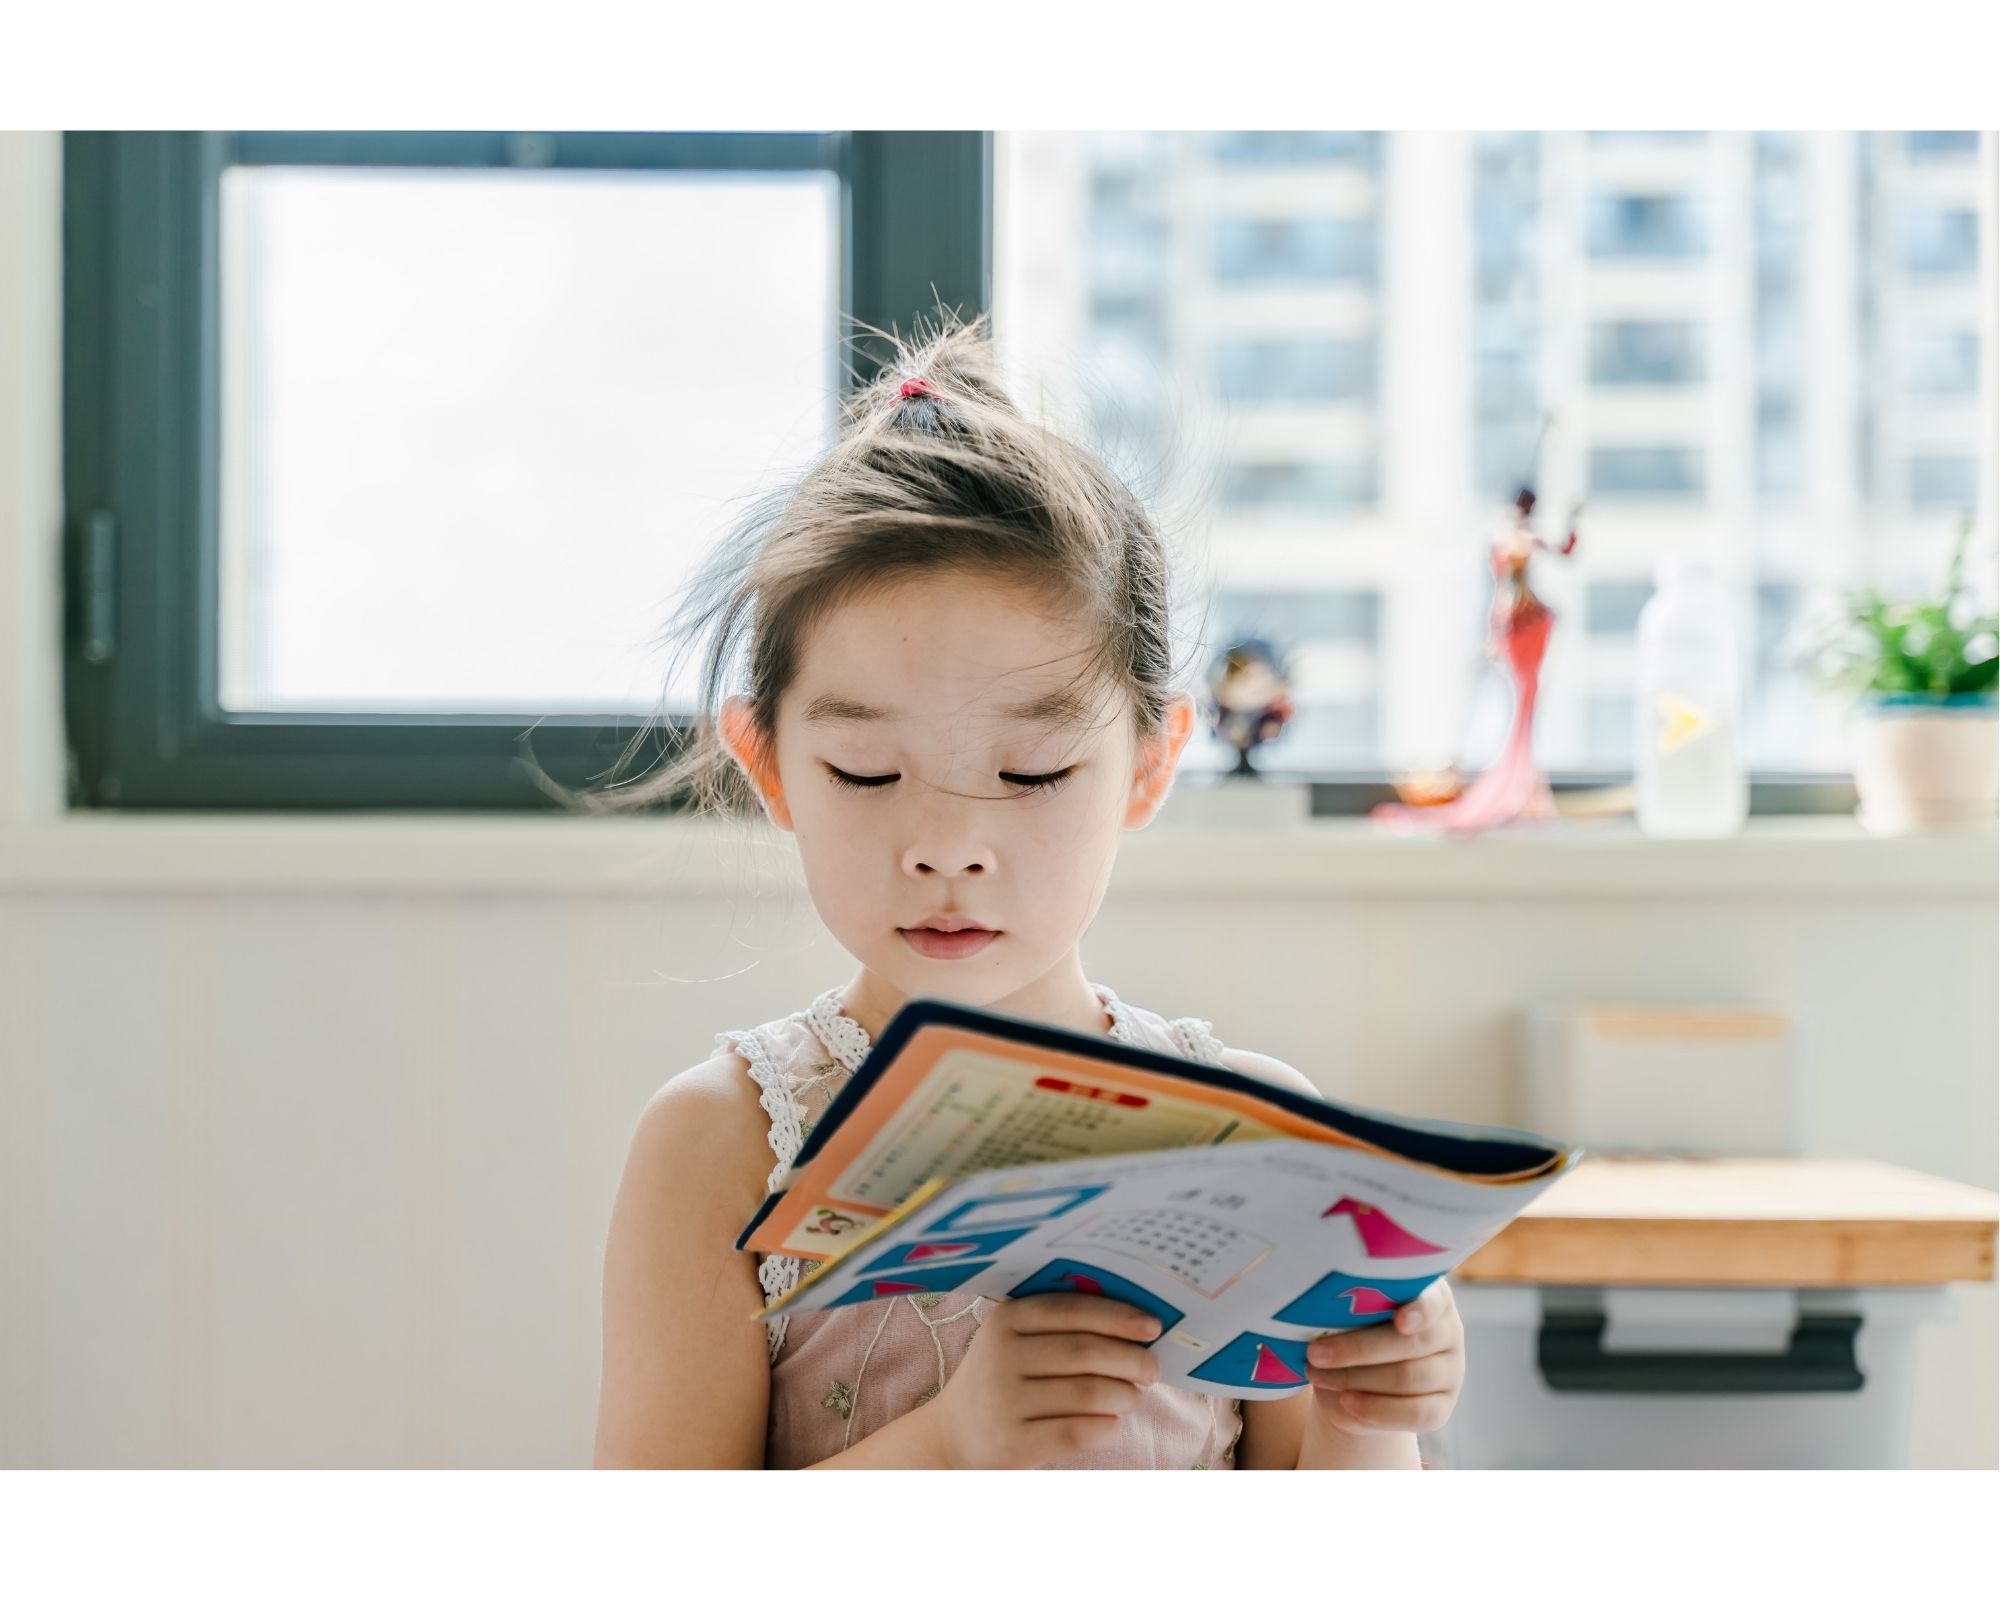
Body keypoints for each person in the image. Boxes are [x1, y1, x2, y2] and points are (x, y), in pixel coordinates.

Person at [587, 312, 1465, 1469]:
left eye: (1032, 772)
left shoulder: (1255, 1138)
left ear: (1147, 766)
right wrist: (950, 1443)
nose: (947, 845)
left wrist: (1368, 1412)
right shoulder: (724, 1143)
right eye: (866, 770)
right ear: (769, 766)